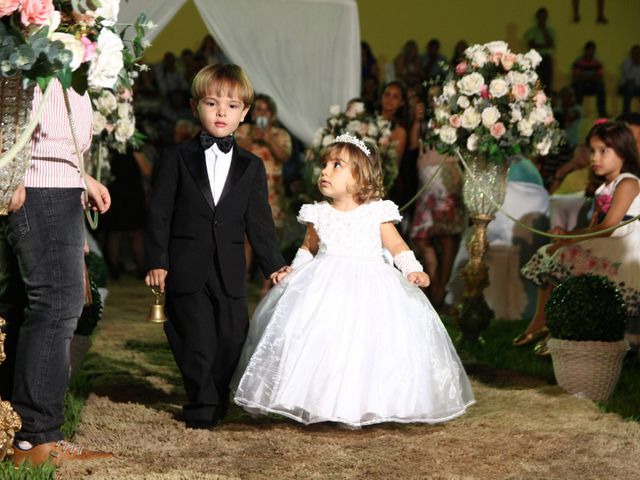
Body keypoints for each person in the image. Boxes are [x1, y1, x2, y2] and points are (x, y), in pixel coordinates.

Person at [231, 134, 475, 427]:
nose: (325, 171)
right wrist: (292, 275)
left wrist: (412, 268)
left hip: (371, 286)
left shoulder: (377, 212)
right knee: (321, 341)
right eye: (325, 164)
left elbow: (396, 246)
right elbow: (308, 248)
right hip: (323, 286)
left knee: (368, 344)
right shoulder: (318, 214)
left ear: (360, 178)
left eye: (337, 165)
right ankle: (319, 400)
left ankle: (367, 403)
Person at [144, 64, 287, 429]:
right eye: (212, 103)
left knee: (231, 337)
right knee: (194, 338)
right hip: (185, 264)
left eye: (232, 106)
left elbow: (259, 222)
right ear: (195, 107)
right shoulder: (176, 157)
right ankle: (202, 403)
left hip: (229, 268)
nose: (222, 112)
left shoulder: (252, 167)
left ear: (245, 114)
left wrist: (273, 265)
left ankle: (216, 395)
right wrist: (157, 260)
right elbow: (159, 212)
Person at [0, 80, 113, 465]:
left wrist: (83, 177)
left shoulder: (68, 48)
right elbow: (13, 113)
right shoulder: (33, 36)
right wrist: (12, 173)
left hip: (57, 184)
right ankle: (36, 437)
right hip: (38, 187)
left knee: (32, 306)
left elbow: (56, 137)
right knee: (56, 305)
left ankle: (15, 429)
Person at [516, 121, 640, 354]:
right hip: (607, 241)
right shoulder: (603, 188)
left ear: (623, 151)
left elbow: (611, 226)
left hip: (626, 244)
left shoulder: (628, 182)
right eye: (592, 151)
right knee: (550, 253)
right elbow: (594, 225)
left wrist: (571, 238)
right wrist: (567, 237)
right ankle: (543, 321)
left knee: (564, 256)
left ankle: (555, 328)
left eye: (603, 151)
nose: (595, 158)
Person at [410, 86, 466, 308]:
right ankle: (433, 280)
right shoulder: (424, 122)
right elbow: (415, 146)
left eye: (438, 95)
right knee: (421, 235)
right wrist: (417, 120)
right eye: (431, 96)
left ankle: (441, 287)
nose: (434, 100)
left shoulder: (454, 121)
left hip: (447, 183)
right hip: (427, 187)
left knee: (448, 237)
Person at [571, 41, 607, 117]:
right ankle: (578, 112)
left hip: (593, 86)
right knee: (578, 85)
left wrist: (584, 76)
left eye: (592, 50)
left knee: (600, 85)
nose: (591, 52)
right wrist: (592, 77)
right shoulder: (578, 62)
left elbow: (600, 76)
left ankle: (602, 113)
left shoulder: (597, 63)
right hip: (581, 86)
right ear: (586, 50)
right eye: (589, 50)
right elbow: (576, 76)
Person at [524, 7, 555, 95]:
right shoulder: (532, 31)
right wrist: (546, 45)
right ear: (537, 17)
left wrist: (544, 31)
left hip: (547, 59)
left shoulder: (550, 30)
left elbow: (551, 44)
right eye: (541, 17)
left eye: (544, 17)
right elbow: (532, 45)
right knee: (535, 81)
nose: (542, 19)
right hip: (535, 59)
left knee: (547, 83)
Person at [620, 44, 640, 115]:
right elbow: (629, 78)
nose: (636, 55)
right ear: (631, 53)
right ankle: (626, 113)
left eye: (638, 53)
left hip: (637, 87)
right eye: (635, 53)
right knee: (630, 87)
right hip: (625, 86)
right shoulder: (626, 63)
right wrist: (635, 65)